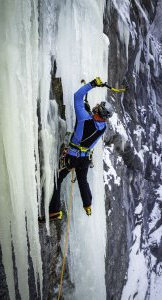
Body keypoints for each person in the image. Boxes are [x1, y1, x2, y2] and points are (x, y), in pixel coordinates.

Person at [47, 78, 114, 221]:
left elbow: (77, 97)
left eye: (98, 107)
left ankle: (54, 211)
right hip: (84, 160)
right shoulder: (103, 127)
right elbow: (92, 119)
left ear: (99, 112)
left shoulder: (83, 118)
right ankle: (87, 205)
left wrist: (92, 84)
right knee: (82, 180)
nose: (96, 106)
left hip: (72, 157)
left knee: (57, 179)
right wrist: (88, 107)